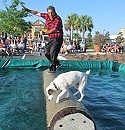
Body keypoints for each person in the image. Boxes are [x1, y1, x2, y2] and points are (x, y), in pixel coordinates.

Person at [22, 5, 63, 73]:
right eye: (49, 13)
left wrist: (45, 32)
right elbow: (36, 13)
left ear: (54, 12)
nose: (51, 14)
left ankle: (52, 69)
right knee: (47, 53)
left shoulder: (58, 19)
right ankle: (57, 63)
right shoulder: (46, 16)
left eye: (52, 13)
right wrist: (27, 10)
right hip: (51, 38)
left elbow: (54, 29)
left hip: (57, 39)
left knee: (53, 53)